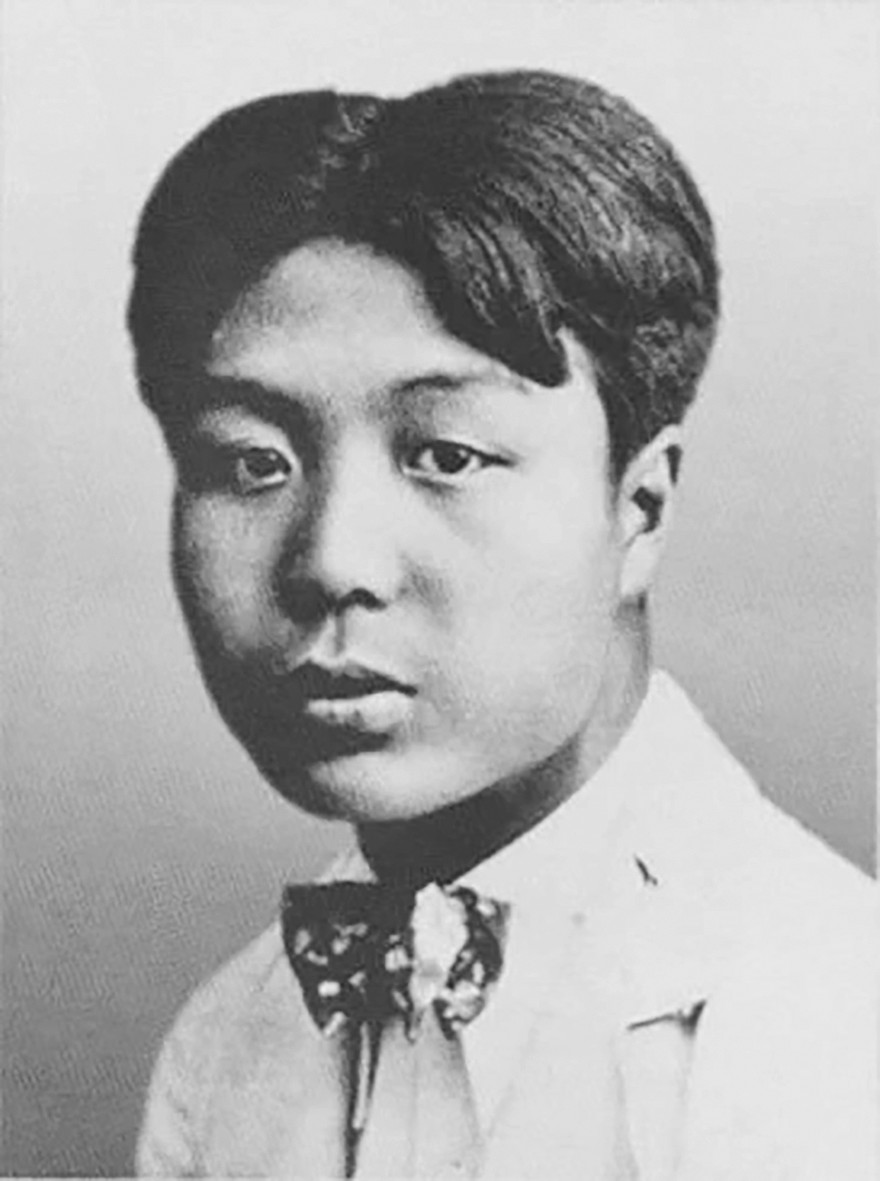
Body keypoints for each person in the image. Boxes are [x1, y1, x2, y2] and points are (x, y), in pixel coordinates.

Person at [128, 70, 876, 1179]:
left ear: (640, 508)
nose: (332, 560)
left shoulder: (837, 1023)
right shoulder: (230, 1044)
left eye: (447, 454)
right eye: (252, 462)